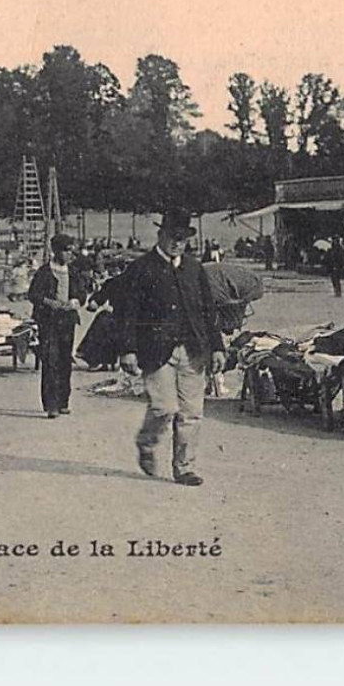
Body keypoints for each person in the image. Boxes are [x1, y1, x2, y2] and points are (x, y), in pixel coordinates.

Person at [116, 208, 226, 488]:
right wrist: (127, 349)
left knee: (191, 413)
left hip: (193, 349)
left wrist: (217, 347)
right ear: (160, 235)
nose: (177, 243)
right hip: (156, 350)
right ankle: (147, 442)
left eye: (183, 238)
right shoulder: (141, 269)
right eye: (172, 237)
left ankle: (184, 468)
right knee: (164, 407)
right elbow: (127, 313)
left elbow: (208, 310)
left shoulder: (194, 268)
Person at [28, 233, 87, 418]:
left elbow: (82, 294)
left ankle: (63, 401)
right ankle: (51, 404)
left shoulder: (73, 272)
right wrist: (48, 302)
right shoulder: (44, 272)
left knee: (64, 360)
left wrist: (75, 302)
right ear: (56, 251)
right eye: (67, 251)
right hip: (48, 321)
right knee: (51, 360)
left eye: (72, 251)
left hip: (67, 321)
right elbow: (33, 294)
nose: (70, 255)